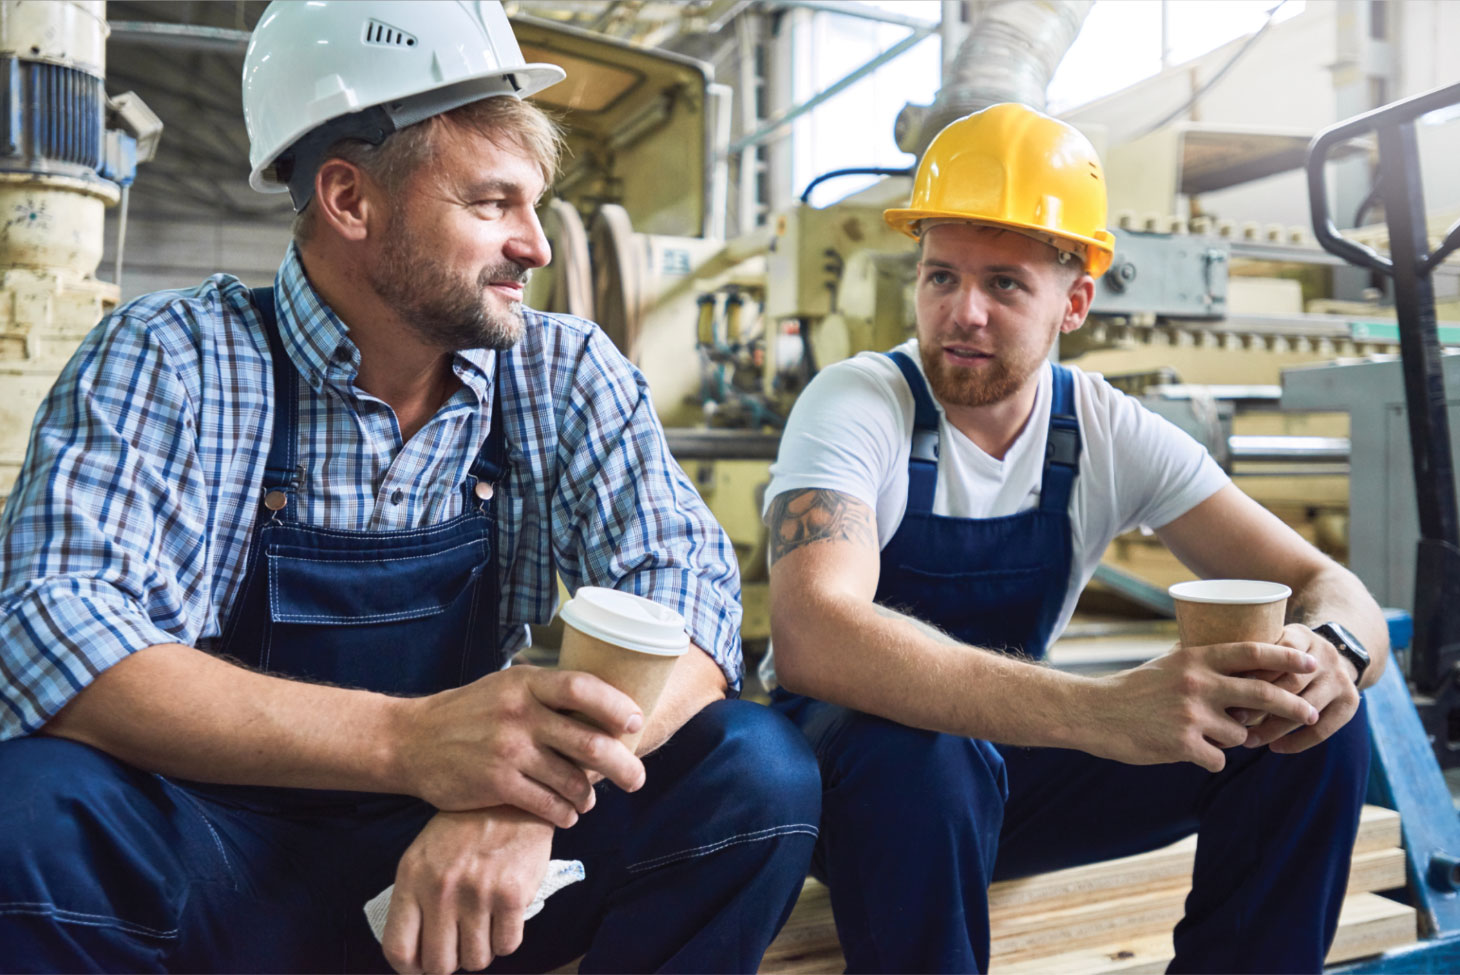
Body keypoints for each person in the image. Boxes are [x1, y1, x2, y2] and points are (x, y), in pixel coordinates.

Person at [0, 3, 819, 972]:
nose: (536, 245)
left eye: (535, 203)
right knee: (31, 814)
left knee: (752, 772)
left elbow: (688, 587)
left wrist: (518, 795)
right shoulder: (174, 357)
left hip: (478, 887)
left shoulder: (559, 369)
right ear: (350, 200)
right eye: (490, 204)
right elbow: (56, 631)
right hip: (218, 865)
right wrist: (411, 740)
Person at [763, 102, 1387, 974]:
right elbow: (814, 635)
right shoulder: (861, 401)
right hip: (857, 791)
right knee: (923, 758)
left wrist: (1332, 649)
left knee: (1306, 725)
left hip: (1008, 774)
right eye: (941, 276)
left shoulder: (1103, 430)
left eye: (1005, 284)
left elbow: (1325, 580)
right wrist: (1102, 710)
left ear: (1076, 302)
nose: (962, 312)